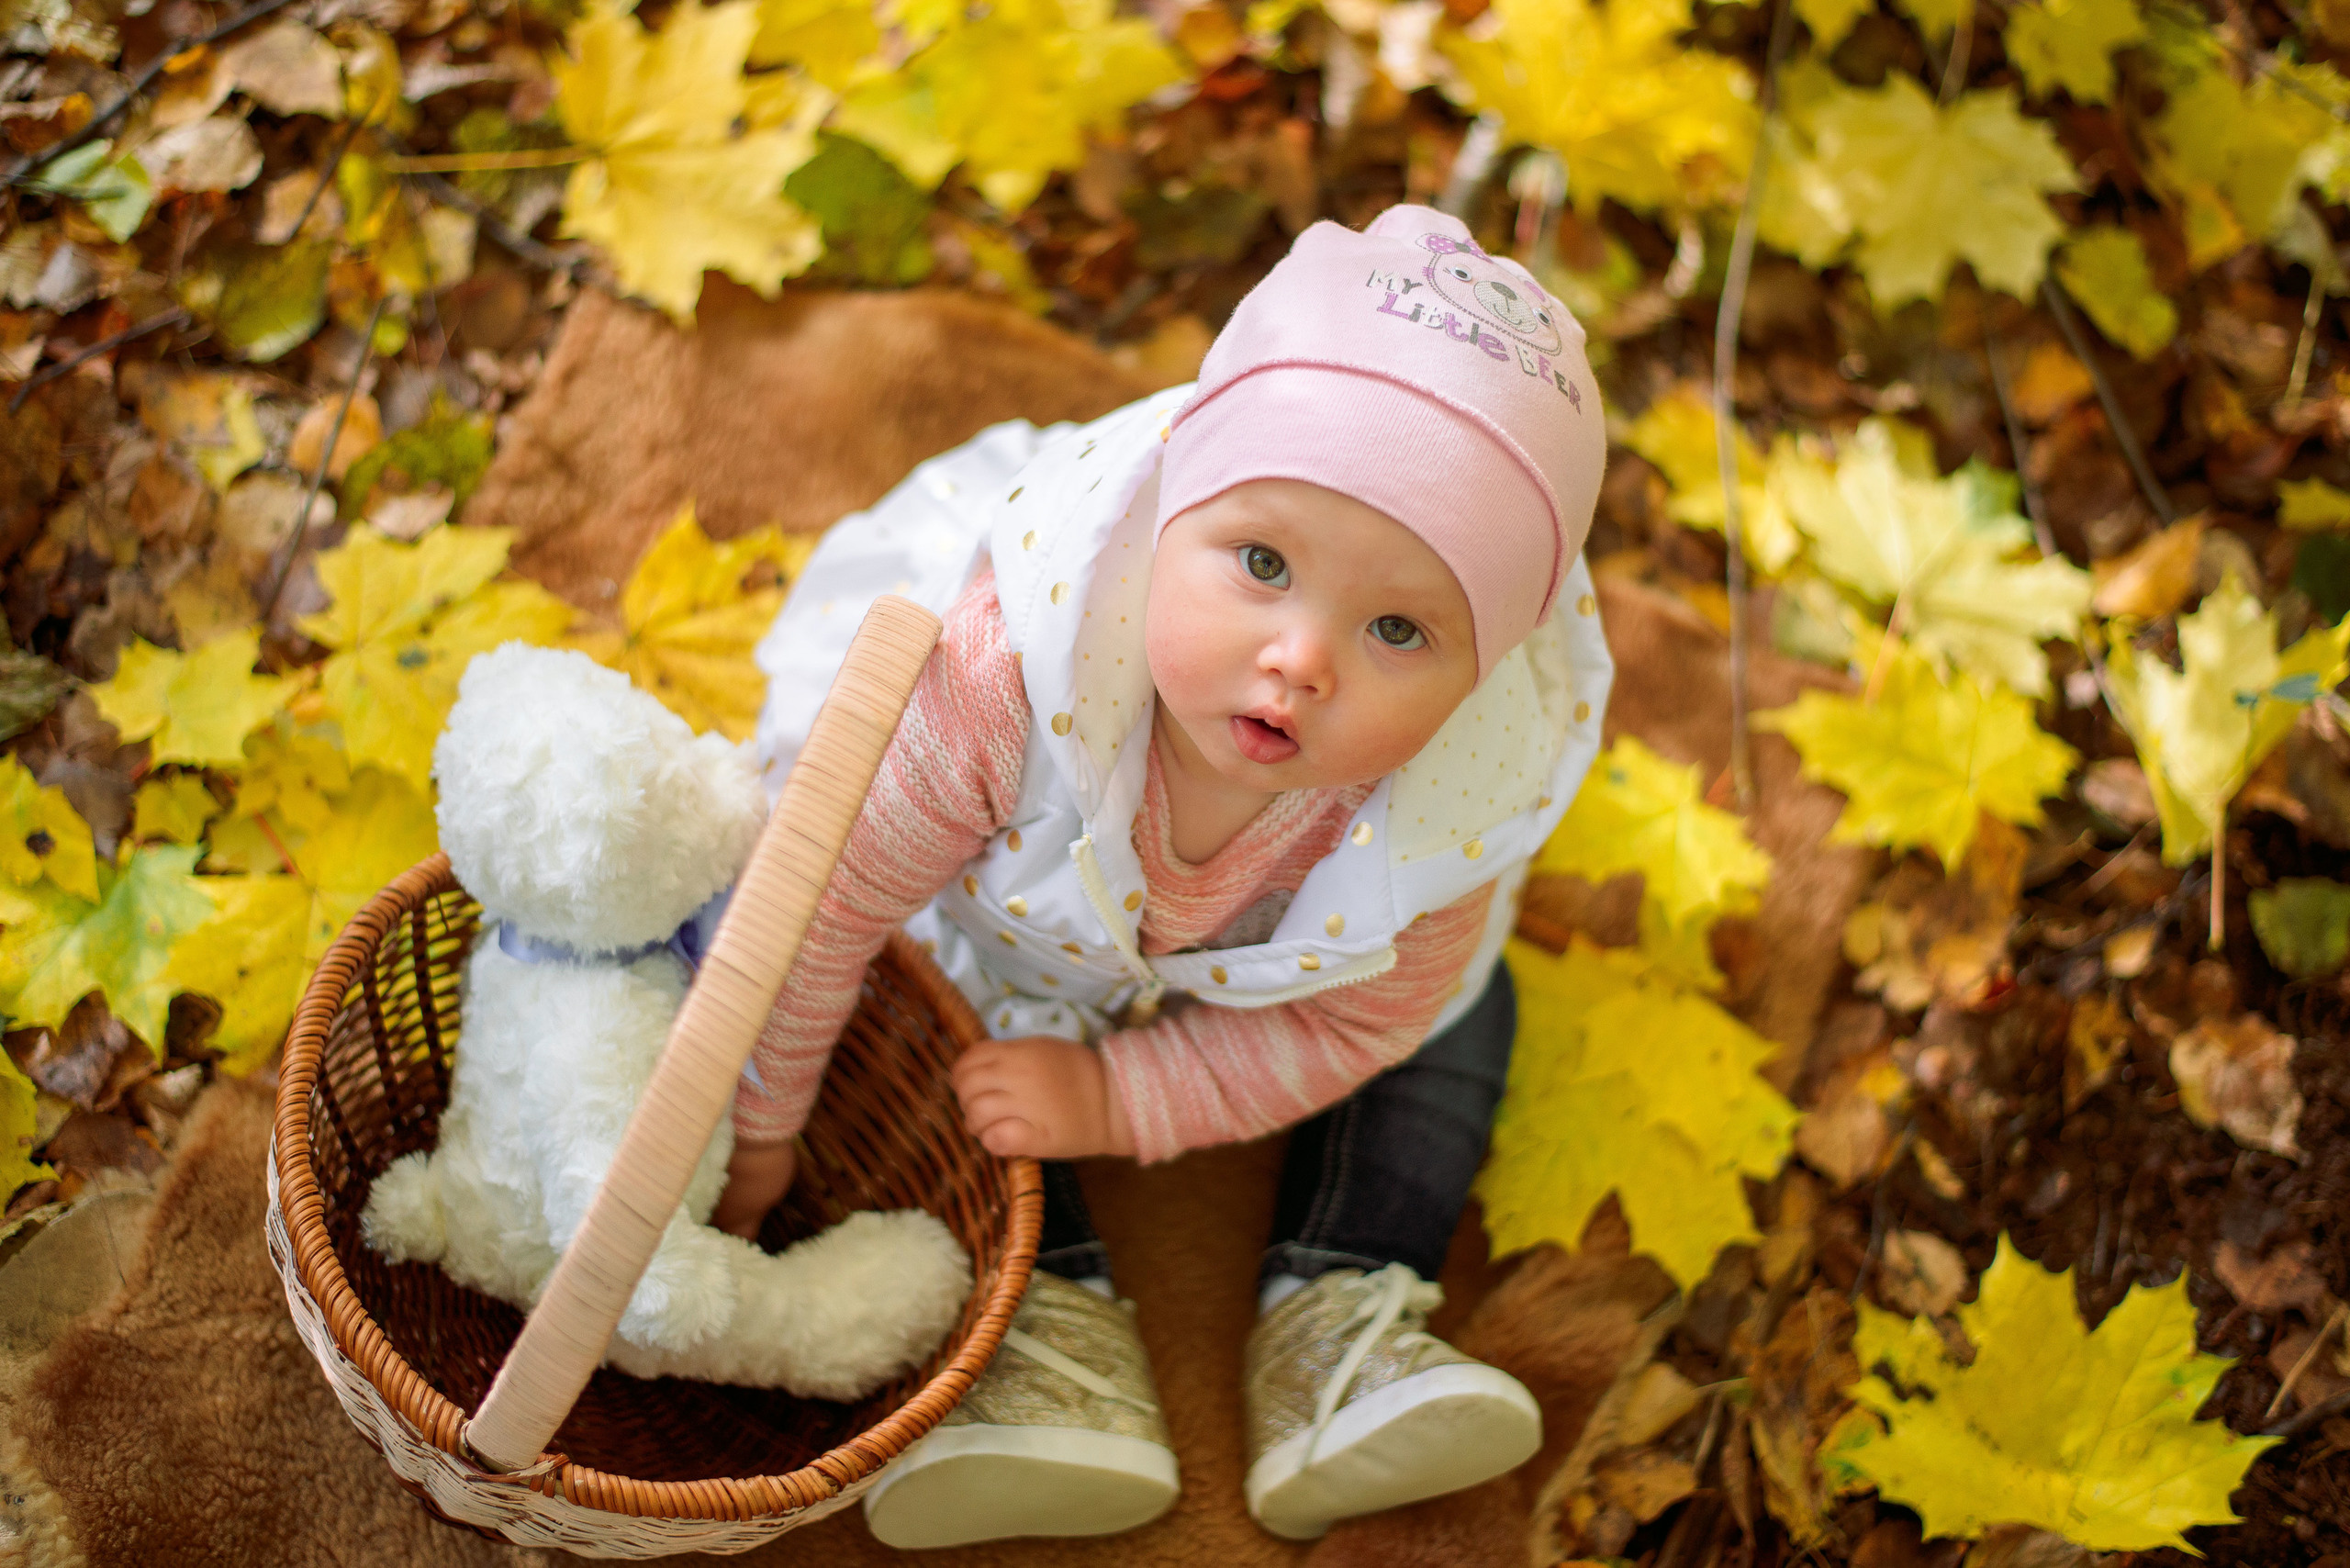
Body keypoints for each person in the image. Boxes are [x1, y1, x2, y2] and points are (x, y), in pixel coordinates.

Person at [713, 202, 1612, 1549]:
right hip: (1005, 924)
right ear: (1170, 514)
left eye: (1399, 629)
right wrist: (764, 1121)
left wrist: (1123, 1095)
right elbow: (822, 908)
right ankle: (1042, 1316)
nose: (1302, 659)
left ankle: (1347, 1306)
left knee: (1457, 1014)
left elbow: (1360, 1022)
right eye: (1260, 564)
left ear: (1482, 675)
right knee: (921, 1028)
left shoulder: (1446, 806)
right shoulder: (1006, 682)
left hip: (1283, 971)